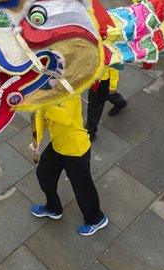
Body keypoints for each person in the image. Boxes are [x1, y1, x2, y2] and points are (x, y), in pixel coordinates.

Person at [29, 92, 108, 236]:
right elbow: (40, 115)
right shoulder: (45, 91)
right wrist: (37, 140)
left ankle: (96, 219)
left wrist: (43, 103)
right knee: (43, 174)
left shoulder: (72, 91)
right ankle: (53, 208)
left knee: (82, 188)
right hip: (58, 145)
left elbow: (66, 118)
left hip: (75, 150)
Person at [85, 67, 127, 141]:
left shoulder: (109, 55)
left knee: (95, 107)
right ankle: (120, 102)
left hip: (103, 82)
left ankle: (90, 132)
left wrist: (112, 86)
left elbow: (114, 69)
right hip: (95, 79)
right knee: (107, 96)